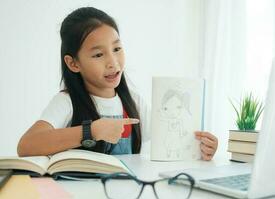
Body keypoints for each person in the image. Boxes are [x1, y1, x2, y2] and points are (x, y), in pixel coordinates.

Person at [17, 7, 218, 161]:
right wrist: (91, 131)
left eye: (117, 48)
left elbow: (171, 141)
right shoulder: (66, 101)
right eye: (98, 54)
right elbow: (26, 145)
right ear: (73, 63)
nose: (113, 62)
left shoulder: (133, 101)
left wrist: (202, 147)